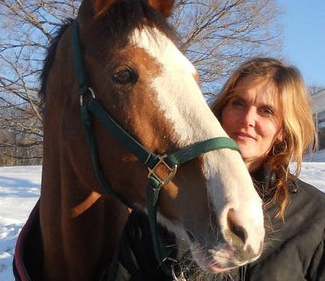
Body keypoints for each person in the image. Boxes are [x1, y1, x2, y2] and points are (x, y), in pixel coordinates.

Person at [104, 57, 325, 280]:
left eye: (266, 111)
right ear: (220, 112)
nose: (248, 119)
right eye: (238, 103)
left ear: (282, 132)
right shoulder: (164, 203)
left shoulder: (315, 216)